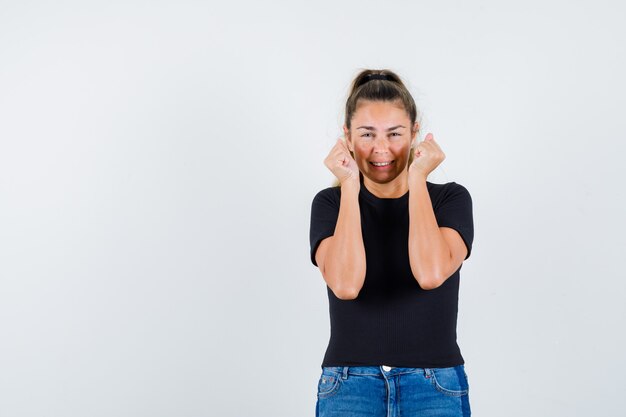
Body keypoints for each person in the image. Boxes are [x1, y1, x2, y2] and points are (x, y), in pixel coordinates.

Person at [309, 69, 474, 417]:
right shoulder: (330, 204)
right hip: (349, 385)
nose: (381, 148)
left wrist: (417, 177)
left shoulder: (450, 200)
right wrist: (350, 185)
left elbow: (430, 273)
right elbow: (345, 285)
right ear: (347, 137)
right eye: (367, 134)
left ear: (415, 133)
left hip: (434, 385)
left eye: (395, 133)